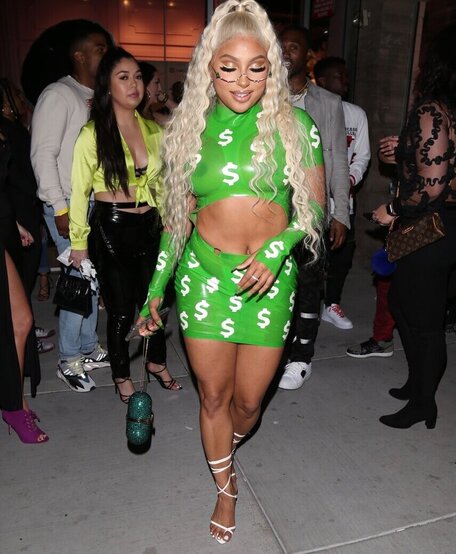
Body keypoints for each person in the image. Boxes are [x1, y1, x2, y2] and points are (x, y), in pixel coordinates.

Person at [137, 0, 325, 544]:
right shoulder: (187, 132)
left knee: (247, 404)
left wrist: (277, 249)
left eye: (256, 67)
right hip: (204, 278)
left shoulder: (296, 126)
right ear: (208, 68)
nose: (243, 80)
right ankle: (226, 486)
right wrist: (155, 291)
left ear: (271, 69)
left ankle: (226, 448)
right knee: (213, 398)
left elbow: (314, 208)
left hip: (270, 281)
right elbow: (177, 222)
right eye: (229, 67)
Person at [69, 47, 181, 402]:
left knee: (155, 302)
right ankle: (121, 376)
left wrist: (171, 219)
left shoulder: (153, 129)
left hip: (151, 224)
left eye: (138, 77)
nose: (134, 84)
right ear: (107, 85)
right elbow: (78, 191)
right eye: (123, 77)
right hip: (112, 227)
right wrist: (78, 243)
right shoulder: (92, 134)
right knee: (120, 311)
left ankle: (156, 362)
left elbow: (162, 184)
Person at [372, 23, 456, 429]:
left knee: (424, 322)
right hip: (451, 226)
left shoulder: (432, 111)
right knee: (404, 304)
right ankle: (418, 384)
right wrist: (405, 152)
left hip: (431, 228)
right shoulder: (451, 113)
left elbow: (432, 186)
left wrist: (391, 208)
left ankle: (424, 403)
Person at [31, 21, 111, 392]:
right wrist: (60, 207)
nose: (106, 54)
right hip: (66, 204)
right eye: (99, 48)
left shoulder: (97, 95)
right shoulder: (59, 94)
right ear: (79, 55)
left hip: (92, 203)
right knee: (78, 282)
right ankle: (68, 360)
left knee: (90, 280)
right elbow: (42, 154)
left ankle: (87, 347)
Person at [278, 25, 349, 390]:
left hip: (311, 208)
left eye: (294, 46)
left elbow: (338, 161)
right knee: (274, 285)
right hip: (269, 209)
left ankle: (301, 357)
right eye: (281, 45)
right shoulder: (257, 95)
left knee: (308, 285)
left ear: (307, 55)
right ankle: (274, 350)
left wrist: (341, 213)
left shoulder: (328, 103)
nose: (285, 51)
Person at [0, 120, 48, 443]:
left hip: (5, 226)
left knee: (19, 321)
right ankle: (14, 406)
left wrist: (14, 223)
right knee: (19, 321)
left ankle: (15, 403)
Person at [314, 56, 371, 329]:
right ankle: (305, 307)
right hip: (311, 197)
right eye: (339, 75)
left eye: (345, 75)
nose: (345, 80)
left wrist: (348, 180)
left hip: (343, 198)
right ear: (322, 81)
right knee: (310, 255)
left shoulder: (356, 114)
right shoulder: (307, 109)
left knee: (342, 254)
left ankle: (331, 303)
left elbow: (362, 155)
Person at [0, 77, 55, 356]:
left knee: (26, 277)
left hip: (23, 209)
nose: (22, 100)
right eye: (16, 96)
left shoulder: (15, 127)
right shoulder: (6, 130)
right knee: (21, 279)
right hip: (16, 211)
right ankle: (24, 339)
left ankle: (27, 334)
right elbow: (14, 175)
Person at [346, 134, 398, 359]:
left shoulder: (439, 131)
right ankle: (383, 339)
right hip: (404, 219)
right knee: (386, 283)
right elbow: (385, 157)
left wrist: (394, 210)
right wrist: (394, 151)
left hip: (426, 224)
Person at [138, 62, 178, 127]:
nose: (160, 89)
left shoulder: (153, 116)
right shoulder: (134, 117)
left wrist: (165, 99)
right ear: (145, 84)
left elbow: (184, 118)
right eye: (156, 82)